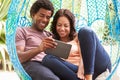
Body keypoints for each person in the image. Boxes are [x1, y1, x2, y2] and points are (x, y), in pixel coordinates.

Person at [41, 9, 112, 80]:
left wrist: (81, 69)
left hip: (95, 65)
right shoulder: (53, 40)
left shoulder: (78, 37)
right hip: (76, 72)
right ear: (55, 25)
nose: (62, 29)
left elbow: (83, 54)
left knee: (85, 31)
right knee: (47, 59)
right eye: (59, 25)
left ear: (71, 26)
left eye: (66, 26)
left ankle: (88, 77)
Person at [15, 0, 60, 80]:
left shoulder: (50, 35)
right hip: (32, 64)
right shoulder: (22, 31)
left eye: (48, 17)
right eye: (41, 15)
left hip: (50, 64)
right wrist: (39, 49)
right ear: (33, 15)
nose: (44, 20)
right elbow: (19, 58)